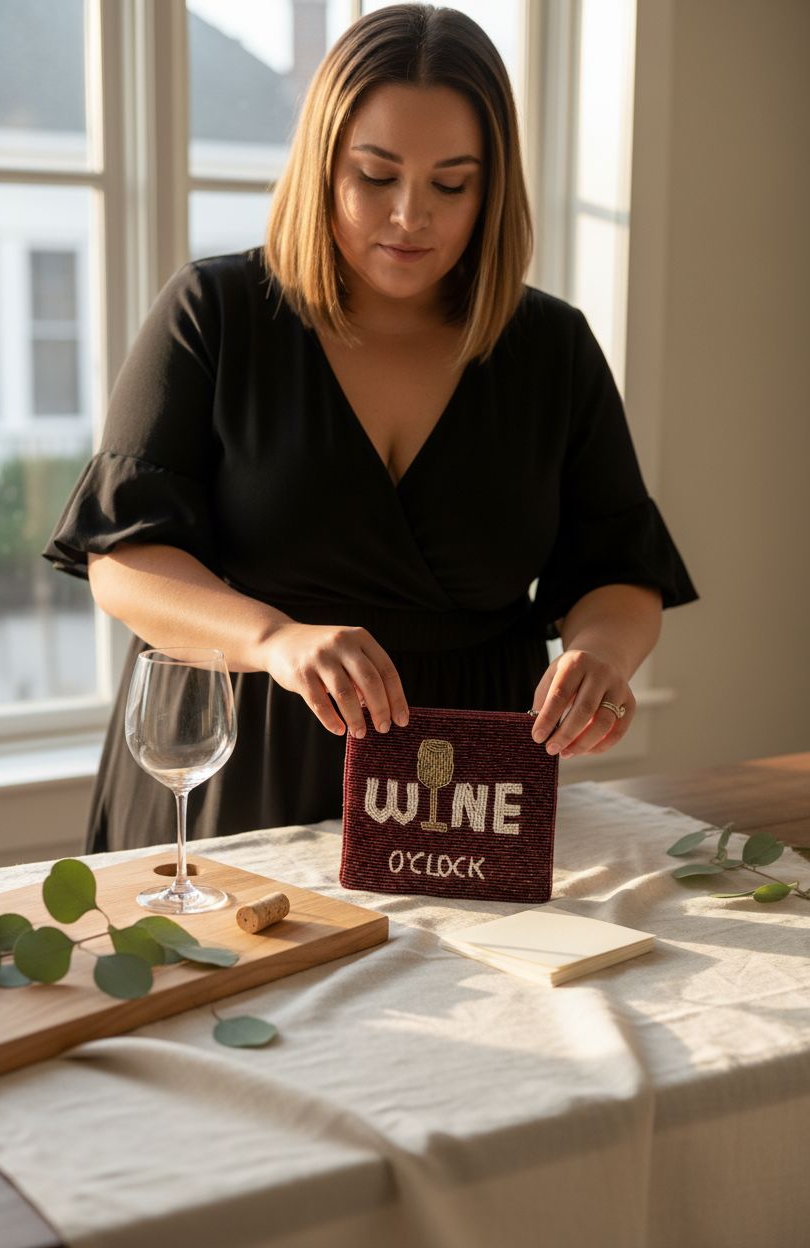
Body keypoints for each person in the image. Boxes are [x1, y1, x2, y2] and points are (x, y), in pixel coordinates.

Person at [44, 4, 698, 853]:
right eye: (375, 176)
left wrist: (602, 656)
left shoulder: (552, 348)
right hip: (236, 772)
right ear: (323, 167)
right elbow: (123, 563)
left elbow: (618, 571)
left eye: (451, 184)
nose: (409, 217)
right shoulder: (215, 313)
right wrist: (273, 639)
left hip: (467, 796)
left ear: (494, 187)